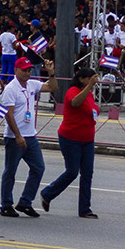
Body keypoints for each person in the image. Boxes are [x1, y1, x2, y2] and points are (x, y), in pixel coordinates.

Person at [0, 57, 57, 217]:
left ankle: (25, 202)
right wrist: (17, 136)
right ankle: (6, 204)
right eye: (24, 70)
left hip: (30, 135)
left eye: (29, 70)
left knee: (38, 167)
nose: (27, 73)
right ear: (16, 70)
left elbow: (53, 88)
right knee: (10, 171)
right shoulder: (11, 89)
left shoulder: (32, 84)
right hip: (14, 137)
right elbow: (9, 115)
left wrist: (51, 73)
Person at [40, 68, 100, 218]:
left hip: (87, 139)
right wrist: (89, 86)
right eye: (90, 78)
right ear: (82, 79)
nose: (93, 81)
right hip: (71, 139)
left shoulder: (90, 94)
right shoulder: (73, 91)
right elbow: (75, 102)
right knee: (72, 171)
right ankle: (47, 194)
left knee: (87, 174)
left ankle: (85, 208)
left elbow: (93, 110)